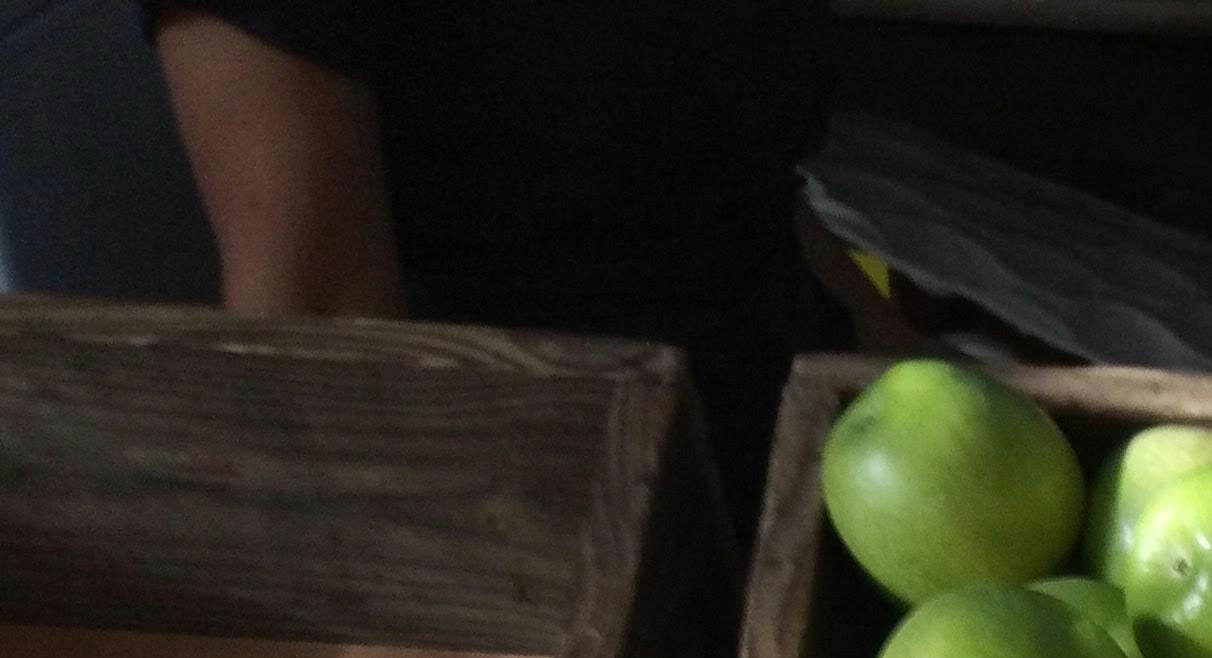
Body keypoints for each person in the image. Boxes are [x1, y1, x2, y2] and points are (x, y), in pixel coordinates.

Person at [146, 0, 842, 500]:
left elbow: (749, 197)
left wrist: (896, 362)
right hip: (558, 516)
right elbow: (321, 347)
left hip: (810, 461)